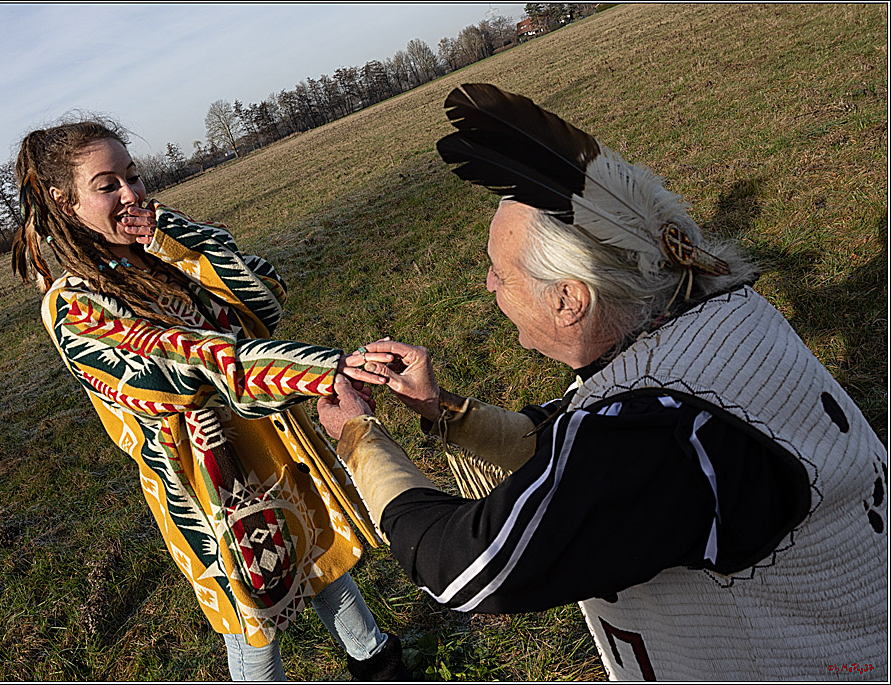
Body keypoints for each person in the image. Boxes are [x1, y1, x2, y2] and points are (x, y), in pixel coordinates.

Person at [324, 84, 888, 680]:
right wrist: (440, 408)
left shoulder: (661, 437)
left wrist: (359, 438)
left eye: (499, 272)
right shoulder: (714, 319)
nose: (488, 287)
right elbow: (568, 438)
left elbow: (466, 565)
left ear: (569, 299)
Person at [10, 117, 410, 681]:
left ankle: (379, 662)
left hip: (271, 440)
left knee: (323, 558)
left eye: (133, 175)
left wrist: (176, 239)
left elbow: (265, 302)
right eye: (107, 186)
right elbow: (190, 369)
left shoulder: (162, 252)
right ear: (64, 201)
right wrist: (323, 370)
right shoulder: (73, 305)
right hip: (208, 482)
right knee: (252, 620)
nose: (131, 194)